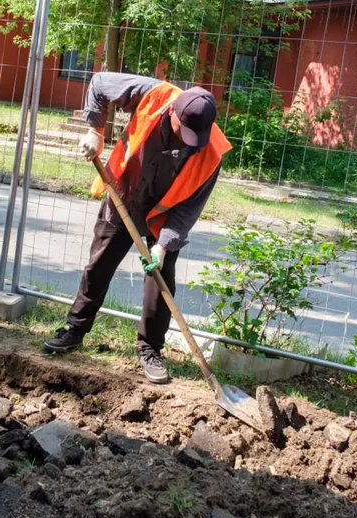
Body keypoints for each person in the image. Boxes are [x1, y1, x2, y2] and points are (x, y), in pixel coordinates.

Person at [43, 72, 230, 384]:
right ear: (173, 112)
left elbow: (189, 208)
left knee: (160, 279)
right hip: (124, 194)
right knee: (99, 265)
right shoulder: (154, 94)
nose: (189, 141)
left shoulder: (210, 152)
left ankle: (150, 349)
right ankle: (74, 330)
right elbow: (99, 83)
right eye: (183, 131)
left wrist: (162, 246)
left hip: (165, 214)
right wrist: (95, 131)